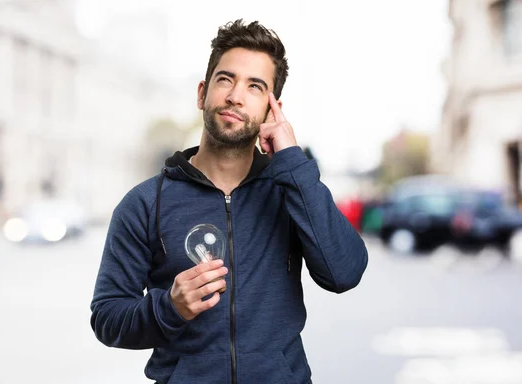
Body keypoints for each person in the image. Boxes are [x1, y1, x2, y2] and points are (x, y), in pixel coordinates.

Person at [90, 19, 368, 384]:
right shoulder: (144, 203)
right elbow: (108, 317)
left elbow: (344, 273)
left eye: (255, 86)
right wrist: (170, 307)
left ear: (273, 109)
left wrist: (292, 161)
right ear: (202, 93)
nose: (236, 96)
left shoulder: (291, 190)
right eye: (226, 79)